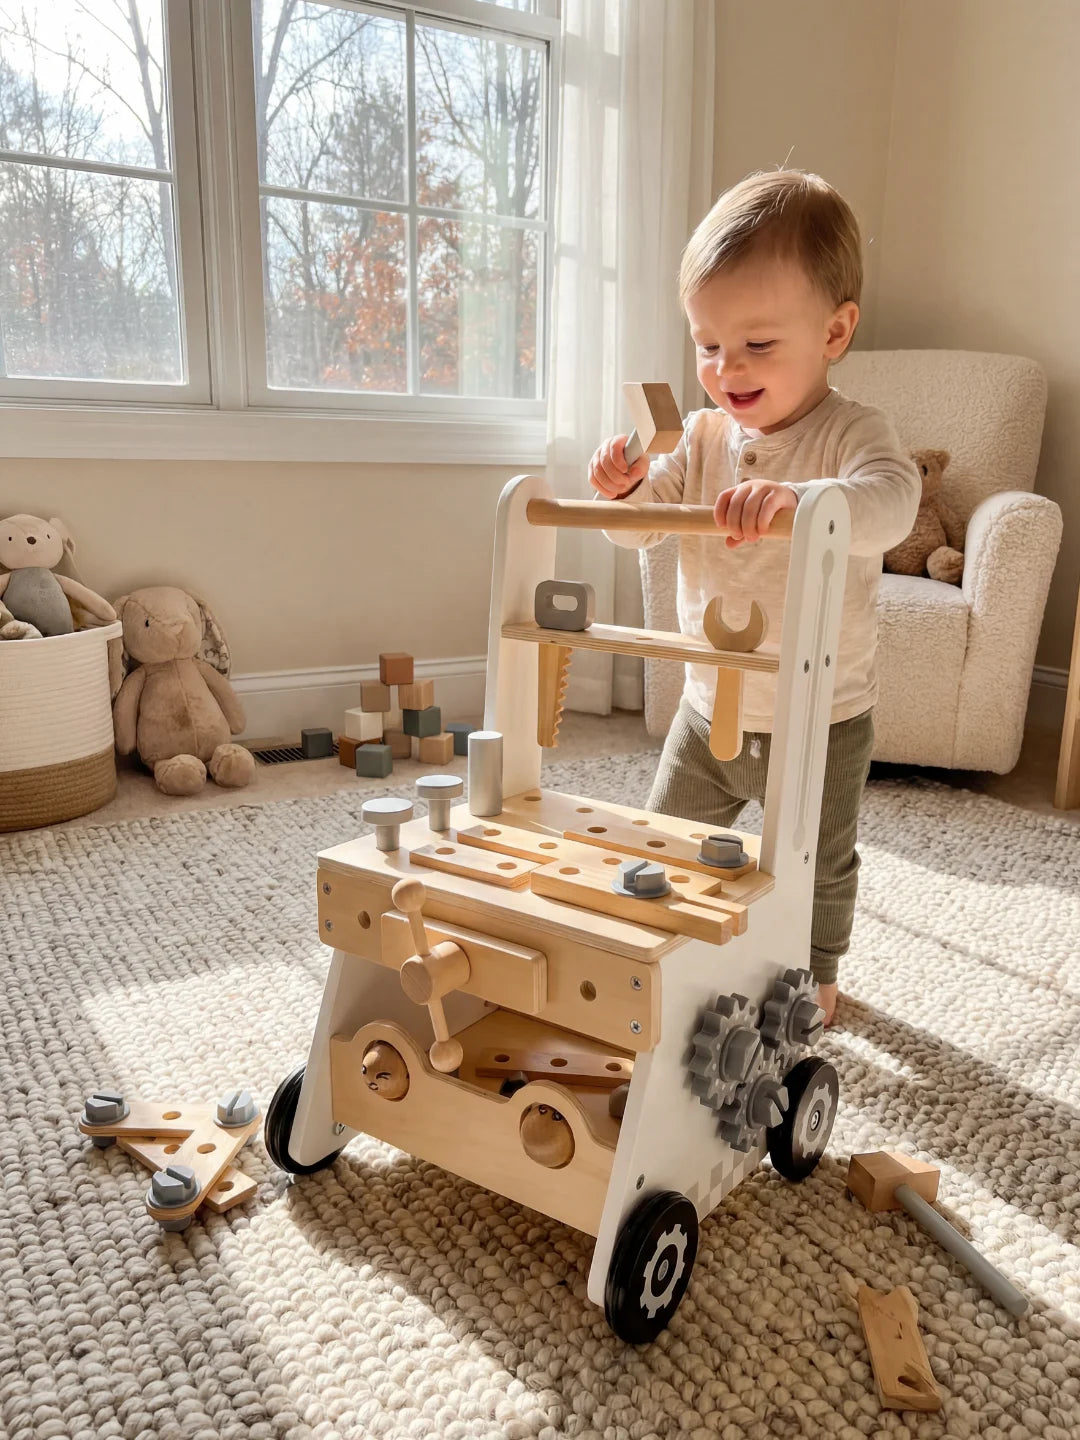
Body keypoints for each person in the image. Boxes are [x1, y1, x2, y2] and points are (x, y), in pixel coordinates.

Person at [589, 169, 920, 1025]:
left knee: (817, 859)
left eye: (758, 345)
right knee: (663, 839)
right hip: (709, 705)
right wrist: (624, 493)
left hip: (820, 714)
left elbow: (894, 503)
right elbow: (640, 532)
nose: (726, 369)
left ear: (834, 332)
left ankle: (816, 973)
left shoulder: (853, 432)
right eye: (707, 345)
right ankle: (657, 948)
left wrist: (803, 502)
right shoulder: (701, 436)